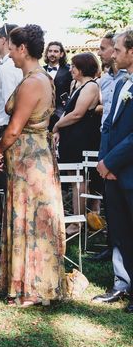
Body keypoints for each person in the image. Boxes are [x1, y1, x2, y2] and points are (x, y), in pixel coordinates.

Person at [0, 25, 66, 307]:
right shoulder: (42, 78)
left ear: (22, 49)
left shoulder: (33, 82)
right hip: (32, 159)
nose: (9, 53)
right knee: (32, 220)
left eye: (12, 48)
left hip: (30, 163)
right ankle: (30, 285)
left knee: (30, 222)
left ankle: (33, 290)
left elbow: (14, 130)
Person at [91, 32, 131, 300]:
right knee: (118, 227)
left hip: (128, 167)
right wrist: (103, 161)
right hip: (112, 169)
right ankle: (122, 282)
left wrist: (113, 161)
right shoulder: (120, 85)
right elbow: (108, 125)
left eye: (117, 49)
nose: (112, 54)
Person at [52, 52, 101, 234]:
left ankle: (77, 222)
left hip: (82, 139)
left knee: (79, 180)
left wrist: (56, 125)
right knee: (74, 179)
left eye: (73, 66)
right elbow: (67, 110)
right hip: (72, 138)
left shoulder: (90, 87)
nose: (70, 69)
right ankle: (75, 218)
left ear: (81, 68)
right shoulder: (78, 85)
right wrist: (58, 131)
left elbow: (78, 113)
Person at [0, 23, 21, 234]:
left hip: (7, 129)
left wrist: (2, 142)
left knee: (6, 182)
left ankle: (6, 226)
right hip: (6, 128)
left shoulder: (8, 69)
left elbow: (12, 107)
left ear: (3, 40)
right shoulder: (10, 67)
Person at [44, 41, 72, 130]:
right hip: (42, 114)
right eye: (50, 51)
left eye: (56, 51)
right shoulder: (40, 70)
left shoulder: (69, 71)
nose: (52, 54)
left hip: (61, 114)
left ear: (61, 54)